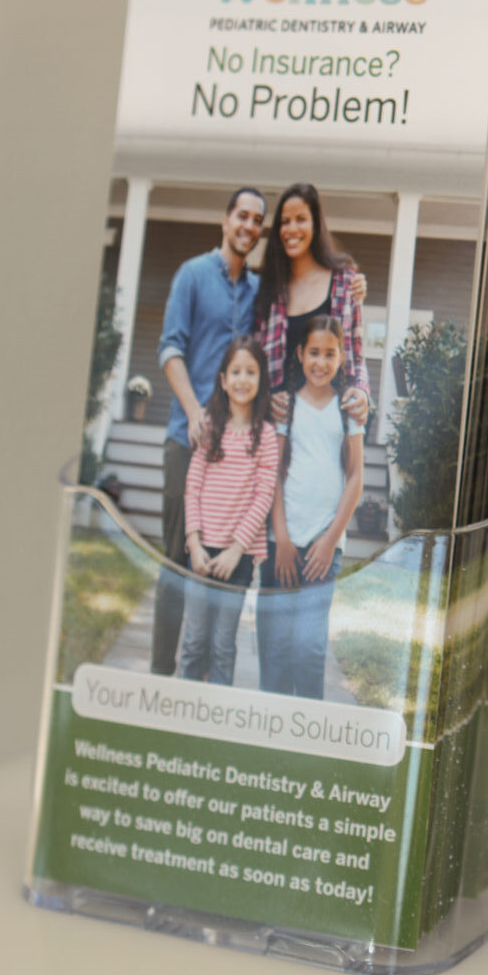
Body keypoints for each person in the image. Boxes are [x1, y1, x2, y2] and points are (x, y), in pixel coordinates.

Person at [152, 187, 266, 673]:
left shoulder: (262, 291)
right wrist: (196, 411)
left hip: (238, 455)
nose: (249, 225)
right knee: (180, 560)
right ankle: (161, 672)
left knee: (222, 565)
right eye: (242, 215)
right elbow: (169, 349)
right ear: (225, 220)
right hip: (189, 441)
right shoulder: (193, 275)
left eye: (257, 220)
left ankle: (200, 677)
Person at [258, 314, 365, 698]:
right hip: (283, 545)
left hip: (325, 547)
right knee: (277, 646)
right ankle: (270, 730)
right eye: (314, 352)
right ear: (301, 354)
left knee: (309, 646)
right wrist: (282, 540)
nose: (321, 362)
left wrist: (329, 539)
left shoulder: (348, 410)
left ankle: (307, 731)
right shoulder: (286, 407)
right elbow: (274, 474)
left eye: (330, 354)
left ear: (341, 358)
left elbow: (355, 478)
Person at [177, 335, 279, 684]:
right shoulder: (210, 428)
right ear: (223, 380)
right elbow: (193, 487)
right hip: (202, 552)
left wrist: (236, 550)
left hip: (239, 558)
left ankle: (212, 726)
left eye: (250, 372)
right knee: (193, 640)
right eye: (235, 371)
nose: (242, 379)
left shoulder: (265, 436)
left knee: (222, 645)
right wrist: (194, 542)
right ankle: (179, 717)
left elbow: (263, 497)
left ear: (261, 380)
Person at [252, 182, 371, 426]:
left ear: (316, 225)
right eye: (284, 221)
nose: (291, 229)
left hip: (329, 422)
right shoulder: (270, 289)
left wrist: (361, 391)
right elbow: (257, 361)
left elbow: (357, 357)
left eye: (301, 219)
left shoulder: (344, 282)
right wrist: (266, 397)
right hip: (279, 427)